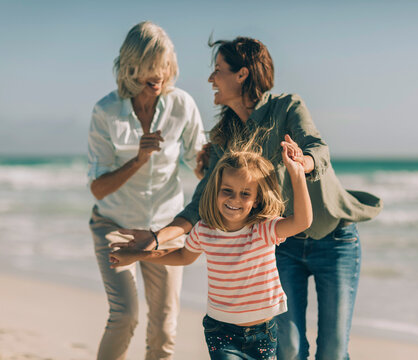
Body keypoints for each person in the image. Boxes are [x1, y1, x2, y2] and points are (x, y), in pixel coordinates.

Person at [118, 36, 382, 360]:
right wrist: (157, 238)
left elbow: (318, 148)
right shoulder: (224, 137)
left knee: (332, 349)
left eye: (218, 70)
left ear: (241, 74)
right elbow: (199, 204)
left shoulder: (287, 107)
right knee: (289, 349)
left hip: (333, 239)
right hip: (278, 242)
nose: (210, 79)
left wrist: (302, 163)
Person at [110, 142, 312, 360]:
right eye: (227, 191)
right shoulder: (204, 230)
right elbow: (182, 256)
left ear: (257, 200)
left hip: (264, 333)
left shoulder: (264, 229)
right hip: (221, 331)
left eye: (245, 193)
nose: (234, 199)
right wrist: (136, 256)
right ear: (216, 191)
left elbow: (302, 221)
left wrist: (297, 173)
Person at [87, 21, 206, 360]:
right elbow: (98, 188)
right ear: (131, 65)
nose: (159, 76)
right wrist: (139, 160)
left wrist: (206, 163)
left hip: (164, 229)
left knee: (165, 326)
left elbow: (196, 162)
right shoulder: (106, 111)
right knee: (124, 316)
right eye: (151, 68)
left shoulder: (182, 105)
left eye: (165, 67)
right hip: (114, 226)